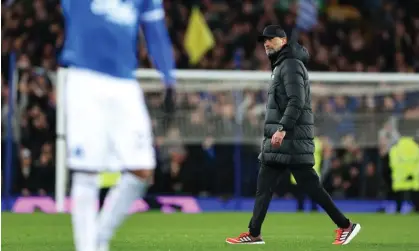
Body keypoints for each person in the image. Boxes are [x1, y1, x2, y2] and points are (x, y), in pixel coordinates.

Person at [225, 25, 361, 245]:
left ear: (284, 41)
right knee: (264, 188)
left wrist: (282, 128)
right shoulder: (283, 64)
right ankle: (254, 233)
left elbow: (296, 100)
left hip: (291, 140)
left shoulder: (289, 64)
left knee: (311, 188)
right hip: (281, 142)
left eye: (271, 39)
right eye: (264, 40)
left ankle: (346, 226)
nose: (266, 43)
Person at [59, 0, 176, 251]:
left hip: (124, 83)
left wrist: (168, 76)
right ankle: (87, 247)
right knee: (86, 172)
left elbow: (155, 31)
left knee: (142, 169)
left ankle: (100, 236)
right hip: (85, 78)